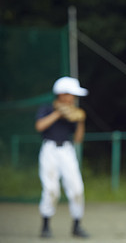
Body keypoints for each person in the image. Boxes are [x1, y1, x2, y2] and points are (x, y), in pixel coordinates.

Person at [35, 76, 90, 238]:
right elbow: (39, 126)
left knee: (77, 188)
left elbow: (78, 139)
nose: (73, 98)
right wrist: (58, 113)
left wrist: (81, 121)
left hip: (67, 150)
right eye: (71, 94)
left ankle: (77, 226)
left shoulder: (74, 114)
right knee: (51, 189)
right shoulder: (47, 108)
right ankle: (45, 226)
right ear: (62, 94)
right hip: (50, 149)